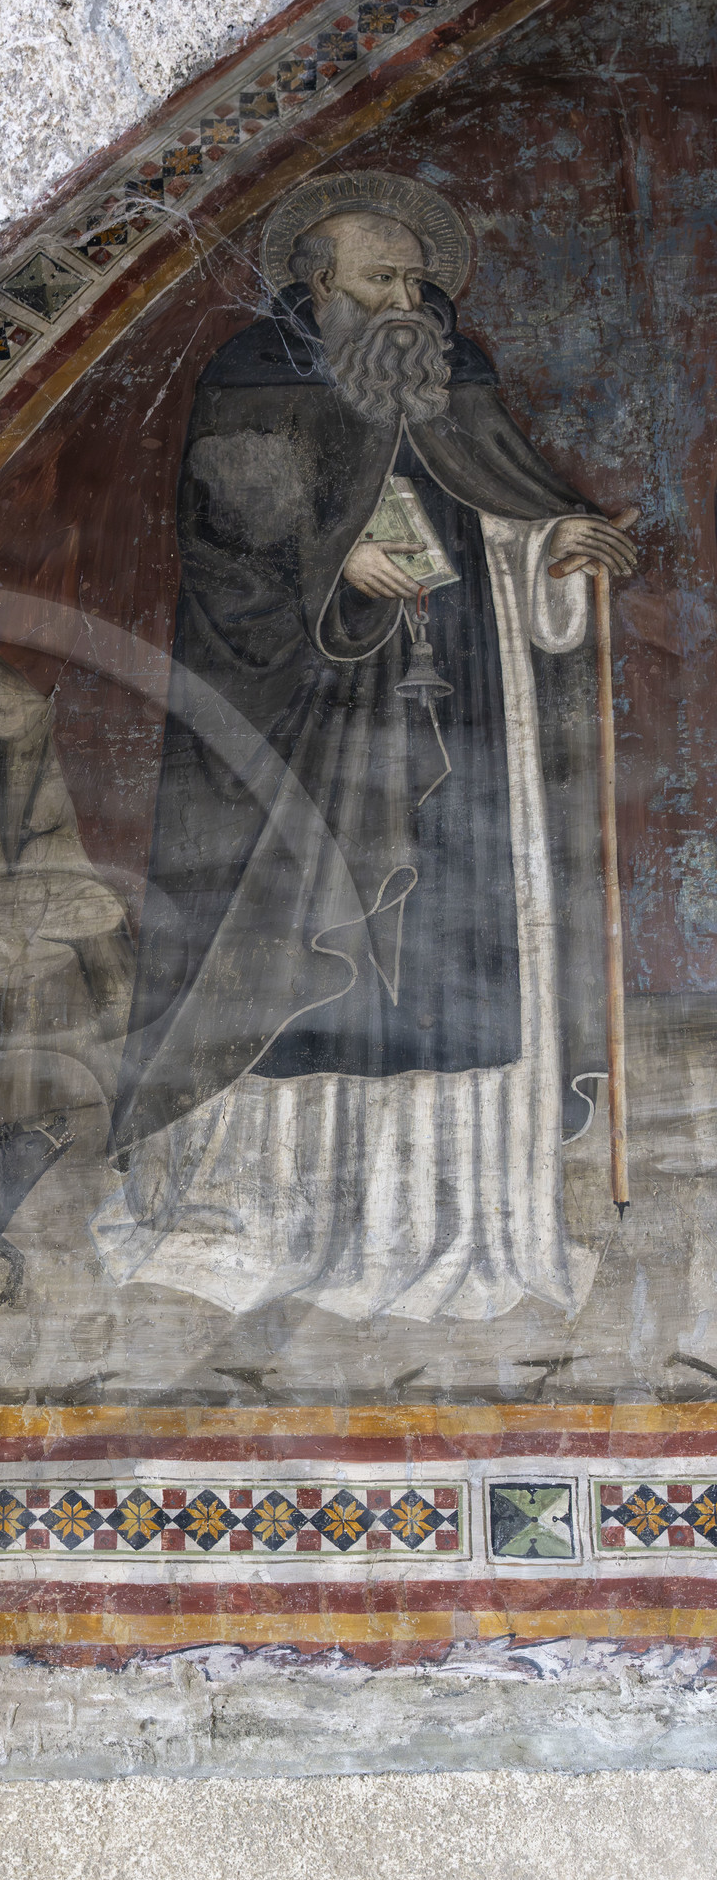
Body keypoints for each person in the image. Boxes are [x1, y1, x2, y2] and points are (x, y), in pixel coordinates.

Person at [95, 172, 638, 1322]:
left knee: (456, 952)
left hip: (461, 721)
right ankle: (259, 1216)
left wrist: (554, 542)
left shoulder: (455, 377)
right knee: (292, 935)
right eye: (381, 277)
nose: (407, 298)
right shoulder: (252, 378)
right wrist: (330, 562)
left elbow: (495, 507)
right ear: (318, 281)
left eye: (415, 278)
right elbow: (225, 538)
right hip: (306, 721)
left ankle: (448, 1215)